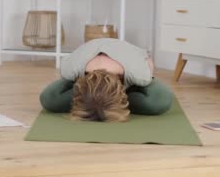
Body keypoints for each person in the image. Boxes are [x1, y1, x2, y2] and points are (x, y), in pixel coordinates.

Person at [39, 38, 174, 122]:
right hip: (86, 66)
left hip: (126, 61)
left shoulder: (138, 74)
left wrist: (147, 78)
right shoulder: (71, 70)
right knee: (50, 101)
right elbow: (47, 97)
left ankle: (106, 102)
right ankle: (95, 100)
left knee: (158, 102)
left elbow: (149, 63)